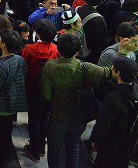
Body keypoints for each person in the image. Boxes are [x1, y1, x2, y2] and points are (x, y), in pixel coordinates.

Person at [40, 33, 113, 168]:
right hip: (79, 116)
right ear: (78, 51)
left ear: (58, 49)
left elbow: (47, 95)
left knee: (54, 151)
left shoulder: (49, 67)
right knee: (73, 149)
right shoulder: (86, 68)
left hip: (57, 117)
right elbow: (110, 73)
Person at [88, 56, 138, 168]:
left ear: (117, 73)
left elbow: (103, 123)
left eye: (113, 68)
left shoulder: (112, 98)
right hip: (129, 141)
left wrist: (94, 140)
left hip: (112, 142)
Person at [0, 29, 27, 167]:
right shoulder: (20, 60)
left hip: (0, 106)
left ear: (3, 44)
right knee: (6, 135)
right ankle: (2, 159)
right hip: (14, 105)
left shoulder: (0, 65)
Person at [21, 19, 59, 162]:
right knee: (45, 118)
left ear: (37, 34)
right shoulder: (56, 50)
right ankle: (42, 146)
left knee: (34, 120)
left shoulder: (29, 49)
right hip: (49, 91)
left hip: (32, 90)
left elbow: (24, 70)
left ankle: (34, 149)